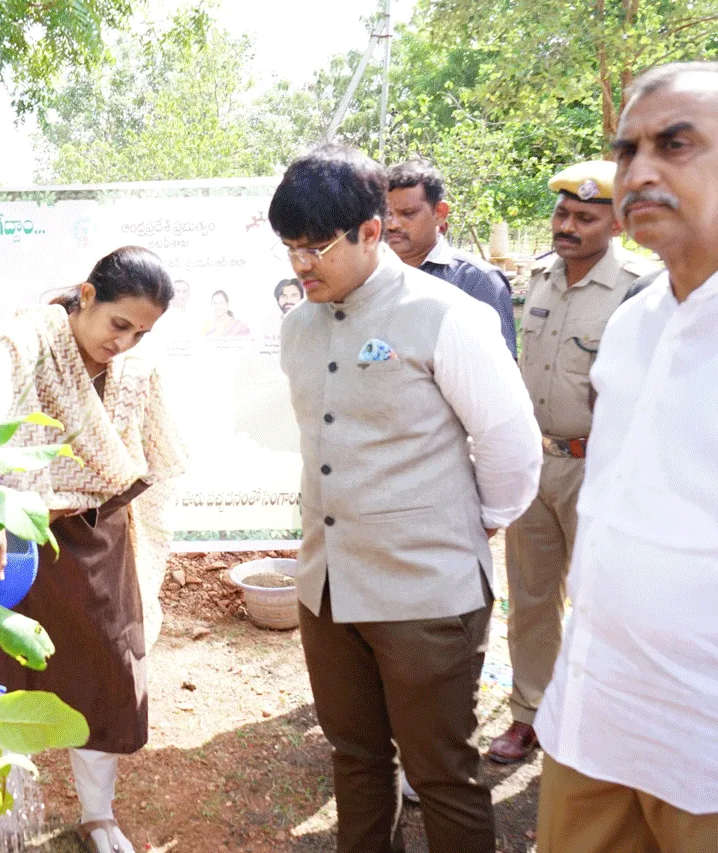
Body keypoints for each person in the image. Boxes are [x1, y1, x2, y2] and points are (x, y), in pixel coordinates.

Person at [270, 144, 541, 853]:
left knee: (442, 769)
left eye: (316, 246)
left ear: (370, 228)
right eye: (291, 247)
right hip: (329, 588)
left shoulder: (444, 314)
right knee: (355, 758)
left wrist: (468, 524)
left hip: (427, 592)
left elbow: (511, 444)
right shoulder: (298, 327)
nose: (301, 264)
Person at [534, 62, 718, 852]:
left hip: (702, 739)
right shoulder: (637, 323)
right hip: (596, 711)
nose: (639, 171)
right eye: (627, 149)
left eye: (675, 144)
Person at [0, 246, 186, 853]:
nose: (127, 342)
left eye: (142, 332)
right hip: (8, 538)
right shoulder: (22, 340)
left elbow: (160, 462)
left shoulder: (137, 373)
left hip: (97, 540)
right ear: (86, 295)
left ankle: (97, 815)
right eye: (119, 324)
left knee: (105, 676)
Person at [488, 161, 658, 765]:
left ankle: (597, 724)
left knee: (600, 599)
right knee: (531, 600)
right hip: (538, 465)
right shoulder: (539, 278)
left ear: (615, 223)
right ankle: (530, 715)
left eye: (585, 217)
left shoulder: (641, 288)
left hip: (602, 469)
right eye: (562, 214)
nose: (568, 226)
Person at [386, 159, 518, 356]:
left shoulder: (477, 280)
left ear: (440, 213)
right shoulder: (373, 276)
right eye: (386, 214)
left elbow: (499, 373)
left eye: (408, 213)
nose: (393, 224)